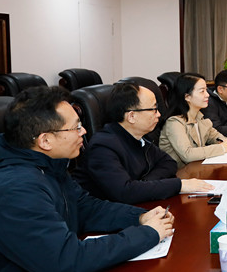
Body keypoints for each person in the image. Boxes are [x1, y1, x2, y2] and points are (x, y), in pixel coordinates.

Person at [0, 86, 174, 272]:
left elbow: (86, 208)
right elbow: (67, 260)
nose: (84, 131)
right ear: (45, 140)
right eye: (75, 127)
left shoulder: (48, 166)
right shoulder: (15, 188)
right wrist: (147, 234)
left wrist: (139, 217)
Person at [73, 82, 213, 204]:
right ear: (131, 116)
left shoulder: (139, 137)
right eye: (153, 109)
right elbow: (125, 192)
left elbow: (168, 162)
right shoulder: (103, 146)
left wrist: (145, 183)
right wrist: (179, 185)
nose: (159, 114)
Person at [159, 72, 227, 167]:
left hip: (197, 169)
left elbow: (218, 138)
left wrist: (223, 143)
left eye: (206, 90)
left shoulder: (200, 118)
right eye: (202, 91)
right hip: (179, 173)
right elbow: (188, 154)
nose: (207, 95)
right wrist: (221, 148)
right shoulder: (174, 123)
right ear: (187, 97)